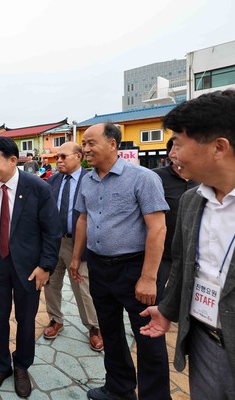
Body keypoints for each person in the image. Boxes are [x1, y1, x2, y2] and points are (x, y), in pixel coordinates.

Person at [140, 90, 235, 399]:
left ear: (219, 147)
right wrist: (167, 309)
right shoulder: (192, 200)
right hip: (203, 341)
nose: (172, 154)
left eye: (178, 143)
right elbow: (182, 263)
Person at [69, 123, 170, 400]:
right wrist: (76, 258)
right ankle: (119, 388)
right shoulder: (87, 180)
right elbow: (83, 219)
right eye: (83, 144)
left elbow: (157, 228)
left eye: (91, 143)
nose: (85, 149)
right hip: (99, 267)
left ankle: (155, 397)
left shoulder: (142, 178)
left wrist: (148, 278)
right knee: (110, 331)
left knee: (148, 338)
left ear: (113, 144)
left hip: (135, 268)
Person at [0, 137, 61, 398]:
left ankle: (22, 366)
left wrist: (46, 266)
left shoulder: (38, 188)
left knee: (25, 318)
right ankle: (1, 366)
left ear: (13, 160)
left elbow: (52, 232)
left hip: (29, 265)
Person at [44, 142, 103, 351]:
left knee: (82, 286)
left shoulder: (92, 180)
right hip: (52, 242)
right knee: (50, 283)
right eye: (57, 157)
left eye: (63, 156)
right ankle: (55, 319)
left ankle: (94, 327)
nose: (58, 160)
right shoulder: (52, 181)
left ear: (78, 157)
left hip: (78, 243)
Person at [152, 138, 199, 286]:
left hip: (195, 254)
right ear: (169, 154)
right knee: (159, 298)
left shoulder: (204, 178)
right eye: (175, 149)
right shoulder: (154, 177)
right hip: (163, 254)